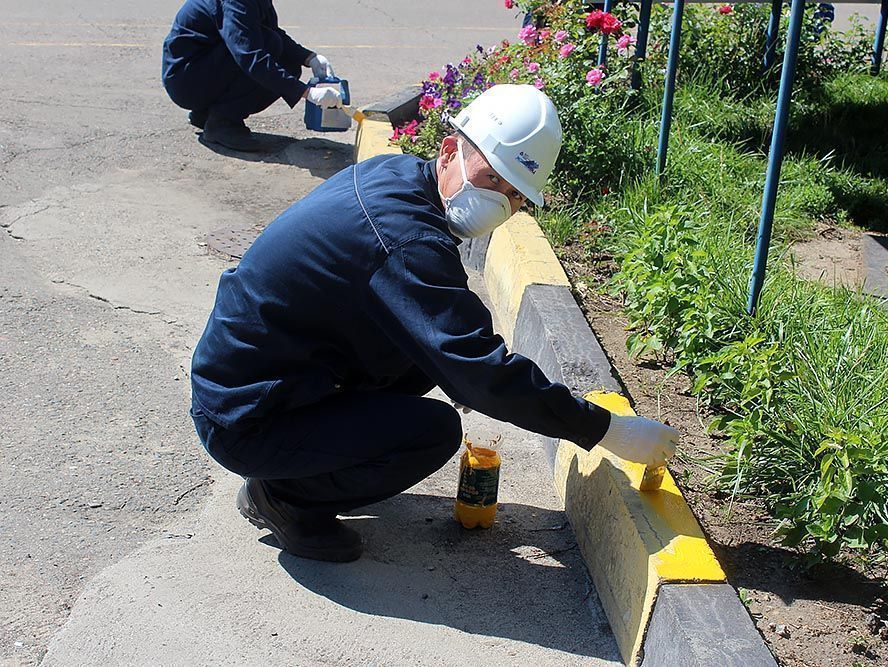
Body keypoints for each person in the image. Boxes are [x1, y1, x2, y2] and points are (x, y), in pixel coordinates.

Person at [189, 84, 680, 562]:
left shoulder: (397, 176)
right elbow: (481, 372)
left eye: (515, 196)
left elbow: (455, 335)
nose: (500, 202)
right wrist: (606, 430)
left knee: (427, 360)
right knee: (431, 432)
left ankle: (310, 463)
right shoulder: (406, 240)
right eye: (492, 179)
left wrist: (466, 373)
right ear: (450, 152)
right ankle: (283, 500)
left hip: (263, 380)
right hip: (245, 417)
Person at [162, 0, 344, 152]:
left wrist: (310, 58)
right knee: (269, 46)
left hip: (199, 74)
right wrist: (305, 92)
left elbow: (267, 30)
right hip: (187, 81)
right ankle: (221, 123)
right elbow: (249, 54)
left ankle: (206, 114)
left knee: (288, 63)